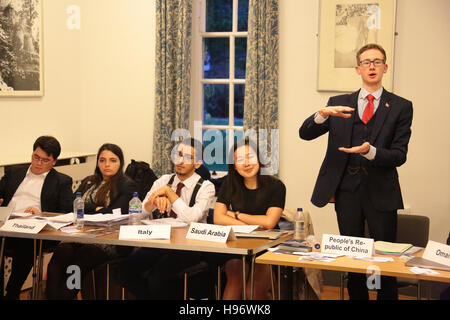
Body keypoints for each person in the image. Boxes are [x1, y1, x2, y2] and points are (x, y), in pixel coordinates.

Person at [299, 43, 413, 300]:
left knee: (384, 262)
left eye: (376, 61)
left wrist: (370, 151)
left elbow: (399, 155)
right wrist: (321, 114)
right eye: (366, 62)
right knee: (354, 259)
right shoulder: (338, 103)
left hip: (382, 192)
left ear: (385, 67)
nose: (371, 66)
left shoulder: (401, 106)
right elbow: (305, 134)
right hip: (346, 192)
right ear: (357, 69)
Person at [116, 138, 215, 299]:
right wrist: (152, 202)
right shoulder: (163, 180)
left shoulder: (205, 187)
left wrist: (170, 194)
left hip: (189, 247)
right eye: (179, 154)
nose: (180, 160)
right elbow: (135, 215)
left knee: (157, 277)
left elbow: (192, 218)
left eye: (187, 157)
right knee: (123, 272)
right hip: (159, 242)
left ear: (197, 164)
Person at [46, 143, 137, 300]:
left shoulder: (126, 184)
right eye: (102, 160)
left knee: (78, 264)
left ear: (120, 162)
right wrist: (94, 208)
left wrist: (85, 209)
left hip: (108, 239)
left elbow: (113, 213)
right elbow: (71, 204)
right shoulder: (90, 181)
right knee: (60, 256)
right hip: (80, 233)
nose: (107, 164)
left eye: (112, 160)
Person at [0, 136, 73, 300]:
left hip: (36, 231)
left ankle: (12, 292)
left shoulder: (61, 181)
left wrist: (42, 214)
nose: (38, 163)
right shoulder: (14, 173)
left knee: (27, 240)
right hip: (7, 224)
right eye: (36, 157)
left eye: (45, 160)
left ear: (54, 161)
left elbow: (67, 213)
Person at [213, 138, 286, 300]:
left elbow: (269, 223)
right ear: (234, 165)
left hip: (267, 247)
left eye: (250, 157)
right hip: (238, 243)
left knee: (251, 292)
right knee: (235, 281)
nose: (246, 163)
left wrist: (236, 215)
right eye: (239, 160)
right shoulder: (229, 184)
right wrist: (249, 225)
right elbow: (218, 218)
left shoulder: (276, 186)